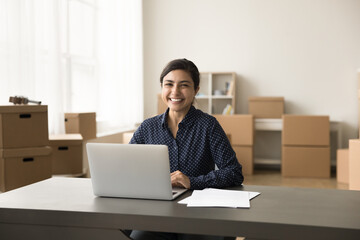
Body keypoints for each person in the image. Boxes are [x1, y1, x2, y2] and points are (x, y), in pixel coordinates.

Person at [128, 58, 244, 240]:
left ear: (196, 90)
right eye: (169, 84)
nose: (175, 92)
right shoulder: (147, 127)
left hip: (198, 213)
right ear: (162, 88)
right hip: (158, 213)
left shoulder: (208, 125)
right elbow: (128, 167)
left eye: (184, 85)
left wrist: (193, 181)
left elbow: (234, 173)